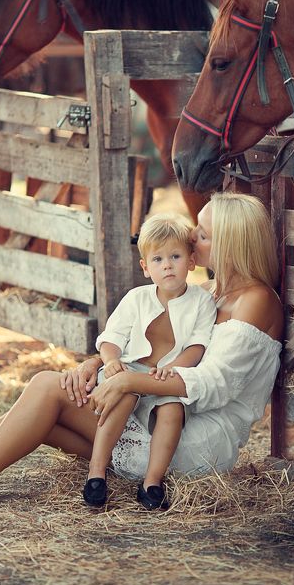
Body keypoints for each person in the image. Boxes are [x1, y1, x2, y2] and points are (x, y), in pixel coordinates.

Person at [0, 192, 284, 514]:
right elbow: (158, 352)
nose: (190, 240)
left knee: (47, 388)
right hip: (158, 413)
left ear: (230, 241)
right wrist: (96, 364)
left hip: (194, 442)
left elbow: (214, 386)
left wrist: (127, 380)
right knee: (40, 411)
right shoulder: (216, 293)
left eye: (201, 234)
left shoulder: (255, 299)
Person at [84, 213, 216, 509]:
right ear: (145, 267)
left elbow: (198, 345)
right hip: (129, 370)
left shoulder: (201, 302)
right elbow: (110, 337)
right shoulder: (136, 298)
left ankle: (152, 483)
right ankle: (96, 472)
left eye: (175, 256)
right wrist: (112, 360)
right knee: (125, 391)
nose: (167, 265)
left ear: (192, 261)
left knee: (172, 410)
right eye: (157, 259)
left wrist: (175, 367)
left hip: (166, 378)